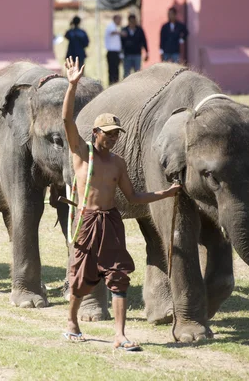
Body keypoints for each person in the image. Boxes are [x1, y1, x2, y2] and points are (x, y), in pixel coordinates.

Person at [61, 57, 181, 349]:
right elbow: (66, 120)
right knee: (80, 279)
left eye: (117, 134)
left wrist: (165, 193)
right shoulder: (81, 153)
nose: (114, 139)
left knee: (118, 277)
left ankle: (120, 335)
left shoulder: (119, 164)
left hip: (110, 221)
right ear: (96, 133)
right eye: (110, 134)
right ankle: (72, 321)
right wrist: (72, 85)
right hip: (86, 221)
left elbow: (134, 198)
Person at [104, 14, 123, 85]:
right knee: (112, 70)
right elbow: (112, 32)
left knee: (116, 70)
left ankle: (115, 83)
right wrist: (121, 33)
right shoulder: (111, 26)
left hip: (116, 53)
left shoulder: (115, 27)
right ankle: (112, 83)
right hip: (112, 53)